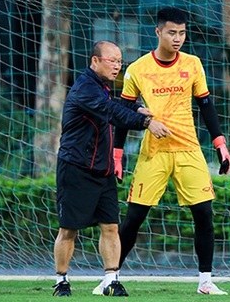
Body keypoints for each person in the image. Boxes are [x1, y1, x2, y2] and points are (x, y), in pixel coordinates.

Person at [111, 7, 230, 295]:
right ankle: (110, 277)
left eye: (182, 33)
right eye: (172, 33)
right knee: (135, 217)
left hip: (189, 149)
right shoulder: (138, 68)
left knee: (204, 213)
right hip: (153, 152)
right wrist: (117, 155)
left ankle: (205, 280)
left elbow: (206, 105)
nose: (177, 38)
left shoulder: (193, 63)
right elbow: (123, 111)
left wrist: (220, 145)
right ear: (158, 32)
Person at [53, 40, 171, 297]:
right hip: (75, 167)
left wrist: (137, 106)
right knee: (69, 229)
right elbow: (110, 111)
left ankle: (111, 279)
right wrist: (146, 121)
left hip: (103, 169)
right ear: (95, 61)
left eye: (120, 61)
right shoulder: (85, 88)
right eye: (112, 60)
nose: (118, 66)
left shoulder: (102, 87)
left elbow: (116, 103)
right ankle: (61, 281)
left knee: (110, 226)